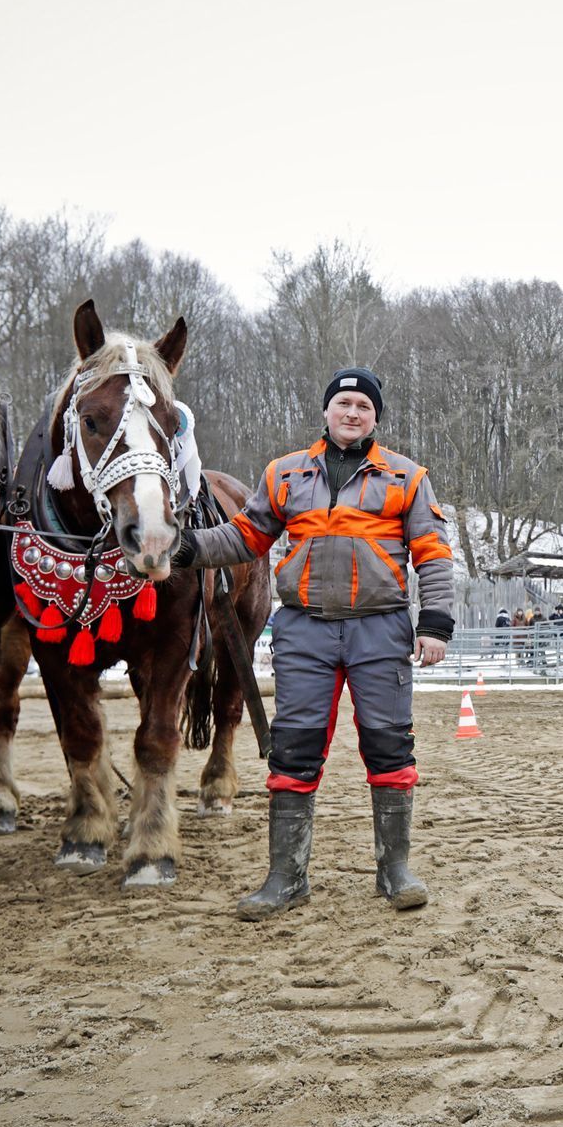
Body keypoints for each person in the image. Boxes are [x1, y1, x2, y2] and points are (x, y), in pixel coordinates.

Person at [176, 367, 454, 921]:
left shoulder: (406, 477)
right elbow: (244, 536)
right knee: (294, 749)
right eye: (344, 403)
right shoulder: (284, 474)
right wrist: (185, 546)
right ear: (326, 412)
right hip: (304, 630)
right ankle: (286, 877)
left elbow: (433, 552)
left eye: (364, 407)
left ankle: (394, 870)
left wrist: (436, 624)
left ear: (376, 418)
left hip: (380, 628)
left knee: (389, 747)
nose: (353, 413)